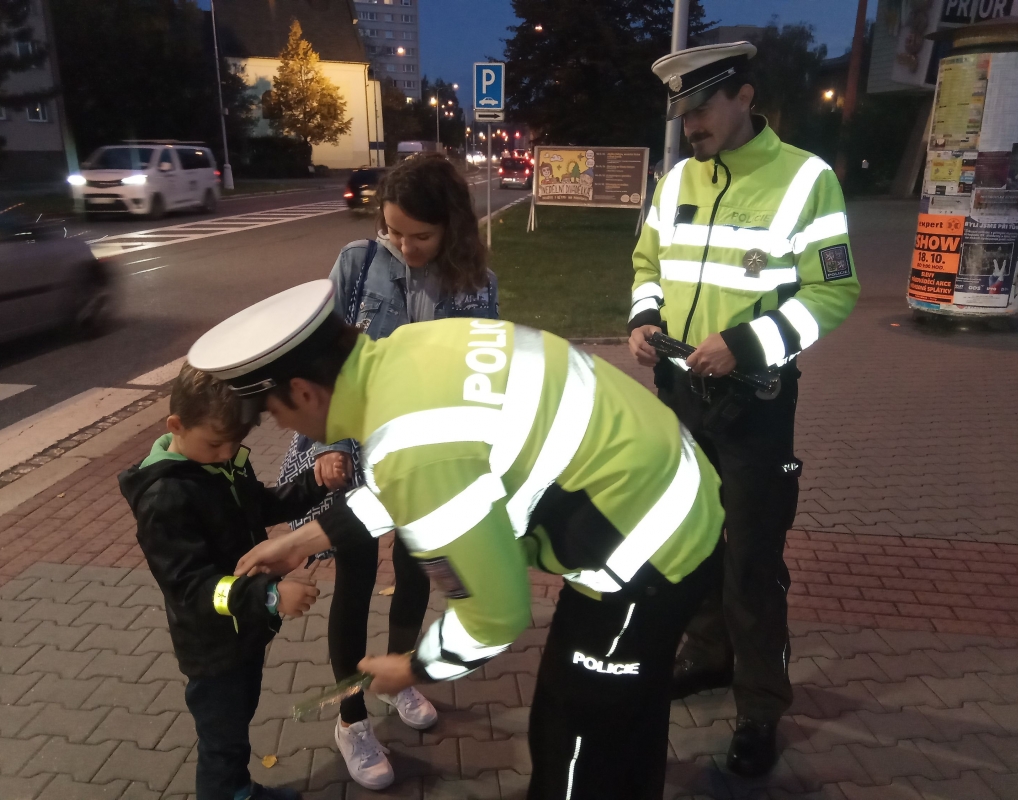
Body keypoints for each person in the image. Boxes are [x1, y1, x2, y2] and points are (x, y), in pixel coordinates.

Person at [186, 280, 725, 800]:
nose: (279, 422)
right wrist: (304, 540)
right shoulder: (408, 351)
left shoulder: (412, 448)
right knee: (626, 705)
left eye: (274, 412)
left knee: (578, 734)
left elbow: (494, 615)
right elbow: (431, 477)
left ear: (303, 392)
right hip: (673, 485)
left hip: (648, 553)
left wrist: (415, 667)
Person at [627, 42, 861, 776]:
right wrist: (642, 317)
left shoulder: (804, 180)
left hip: (755, 403)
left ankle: (759, 710)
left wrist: (746, 345)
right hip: (681, 395)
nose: (688, 124)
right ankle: (705, 655)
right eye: (681, 112)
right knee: (694, 542)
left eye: (699, 109)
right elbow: (645, 263)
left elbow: (833, 292)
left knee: (752, 564)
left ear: (744, 97)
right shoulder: (674, 180)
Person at [274, 153, 499, 790]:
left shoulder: (479, 283)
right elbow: (327, 359)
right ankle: (350, 717)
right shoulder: (358, 263)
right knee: (352, 576)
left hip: (425, 453)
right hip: (352, 448)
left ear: (452, 227)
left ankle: (396, 676)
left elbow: (481, 376)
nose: (404, 245)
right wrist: (334, 442)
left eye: (419, 236)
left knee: (412, 570)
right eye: (393, 231)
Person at [118, 365, 332, 800]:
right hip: (212, 647)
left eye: (235, 443)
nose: (226, 453)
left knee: (235, 725)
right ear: (176, 426)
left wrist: (313, 482)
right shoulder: (165, 498)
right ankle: (226, 791)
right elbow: (193, 588)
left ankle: (239, 789)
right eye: (215, 443)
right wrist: (270, 596)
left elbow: (259, 505)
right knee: (221, 741)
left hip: (243, 632)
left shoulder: (220, 464)